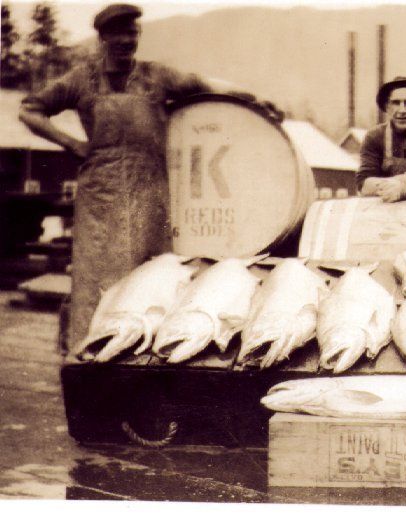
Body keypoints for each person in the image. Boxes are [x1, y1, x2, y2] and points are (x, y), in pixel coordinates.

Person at [19, 3, 280, 350]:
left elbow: (205, 84)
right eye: (120, 33)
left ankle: (146, 354)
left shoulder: (156, 76)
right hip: (101, 194)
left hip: (149, 191)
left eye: (134, 32)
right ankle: (85, 354)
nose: (128, 40)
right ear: (104, 37)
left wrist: (255, 98)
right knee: (95, 278)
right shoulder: (81, 80)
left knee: (153, 274)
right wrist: (70, 142)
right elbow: (30, 109)